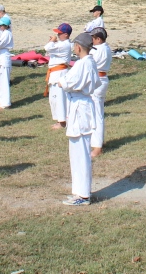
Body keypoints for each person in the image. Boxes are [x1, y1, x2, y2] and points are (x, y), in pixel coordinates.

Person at [57, 32, 101, 206]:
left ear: (78, 47)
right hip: (80, 104)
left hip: (81, 106)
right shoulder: (89, 62)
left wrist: (62, 82)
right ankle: (79, 192)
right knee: (76, 152)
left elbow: (67, 82)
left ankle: (83, 195)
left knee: (81, 152)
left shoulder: (83, 64)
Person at [44, 23, 73, 129]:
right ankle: (59, 120)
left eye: (60, 33)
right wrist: (53, 42)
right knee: (54, 98)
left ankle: (62, 121)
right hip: (55, 72)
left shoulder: (65, 44)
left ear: (66, 35)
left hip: (59, 73)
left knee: (59, 98)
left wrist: (52, 41)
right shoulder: (62, 44)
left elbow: (47, 48)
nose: (58, 35)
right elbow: (49, 51)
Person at [89, 27, 112, 158]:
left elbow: (89, 63)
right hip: (101, 79)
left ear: (98, 39)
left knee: (96, 115)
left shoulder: (98, 50)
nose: (91, 41)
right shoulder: (106, 48)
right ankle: (98, 142)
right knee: (98, 112)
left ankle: (97, 147)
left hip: (98, 80)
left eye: (93, 38)